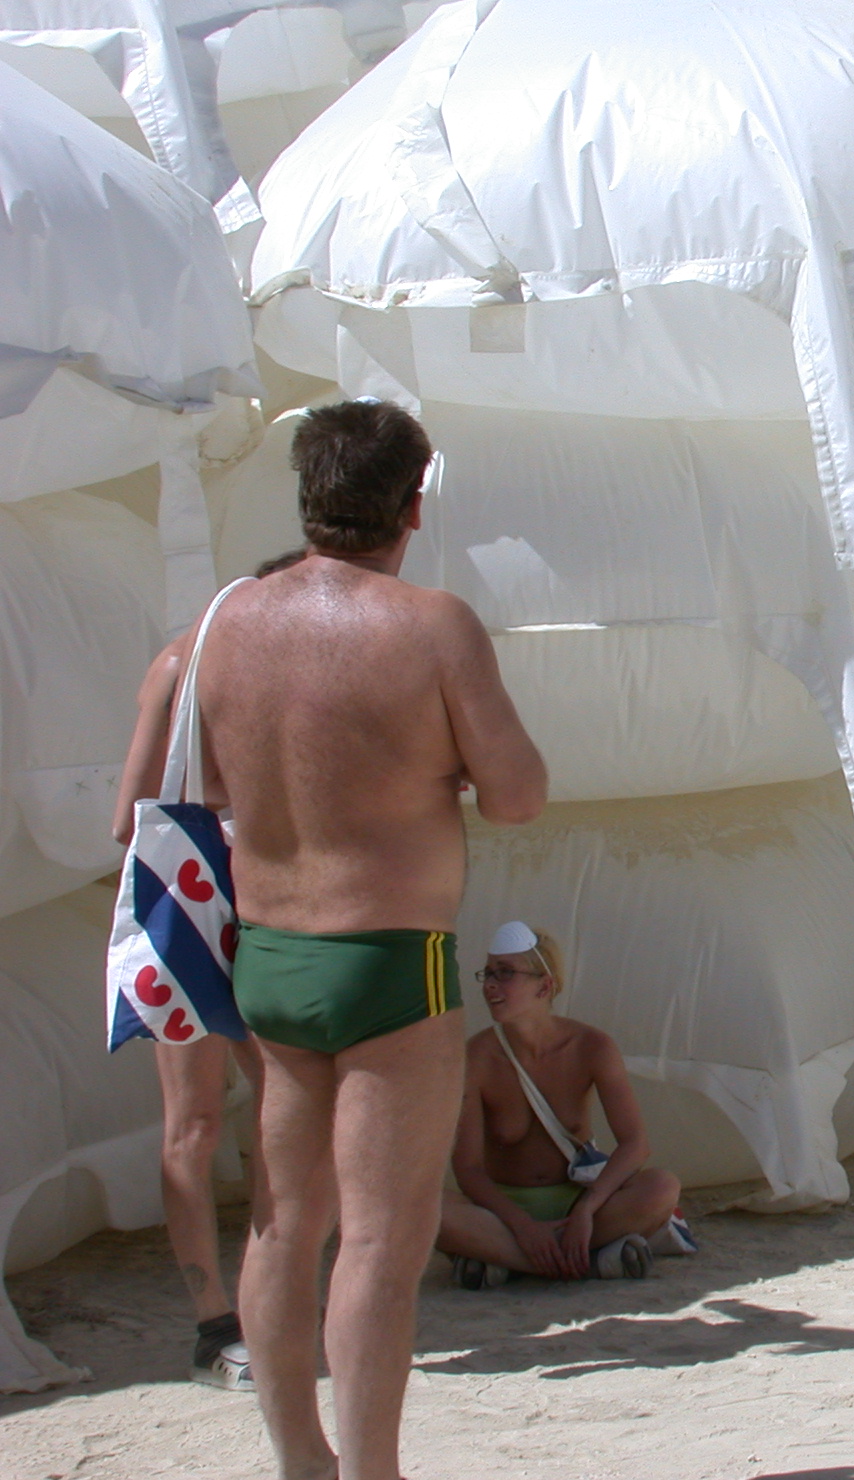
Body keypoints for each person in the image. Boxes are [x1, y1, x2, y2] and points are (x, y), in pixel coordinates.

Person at [123, 399, 547, 1480]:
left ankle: (300, 1462)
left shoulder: (221, 627)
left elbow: (163, 802)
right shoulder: (432, 624)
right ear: (413, 505)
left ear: (308, 495)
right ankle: (369, 1473)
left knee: (282, 1226)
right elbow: (517, 795)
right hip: (389, 959)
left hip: (267, 956)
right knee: (379, 1245)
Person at [113, 548, 310, 1390]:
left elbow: (126, 825)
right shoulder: (187, 667)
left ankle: (248, 1316)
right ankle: (223, 1324)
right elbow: (130, 818)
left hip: (210, 903)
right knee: (215, 1121)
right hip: (215, 901)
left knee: (260, 1115)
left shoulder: (209, 664)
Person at [436, 922, 690, 1288]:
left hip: (579, 1202)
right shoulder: (475, 1058)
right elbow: (468, 1169)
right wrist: (522, 1226)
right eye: (488, 973)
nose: (490, 984)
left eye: (505, 973)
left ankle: (509, 1261)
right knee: (423, 1208)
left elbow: (635, 1145)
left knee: (662, 1188)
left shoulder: (591, 1047)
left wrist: (586, 1210)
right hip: (504, 1209)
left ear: (544, 986)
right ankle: (584, 1262)